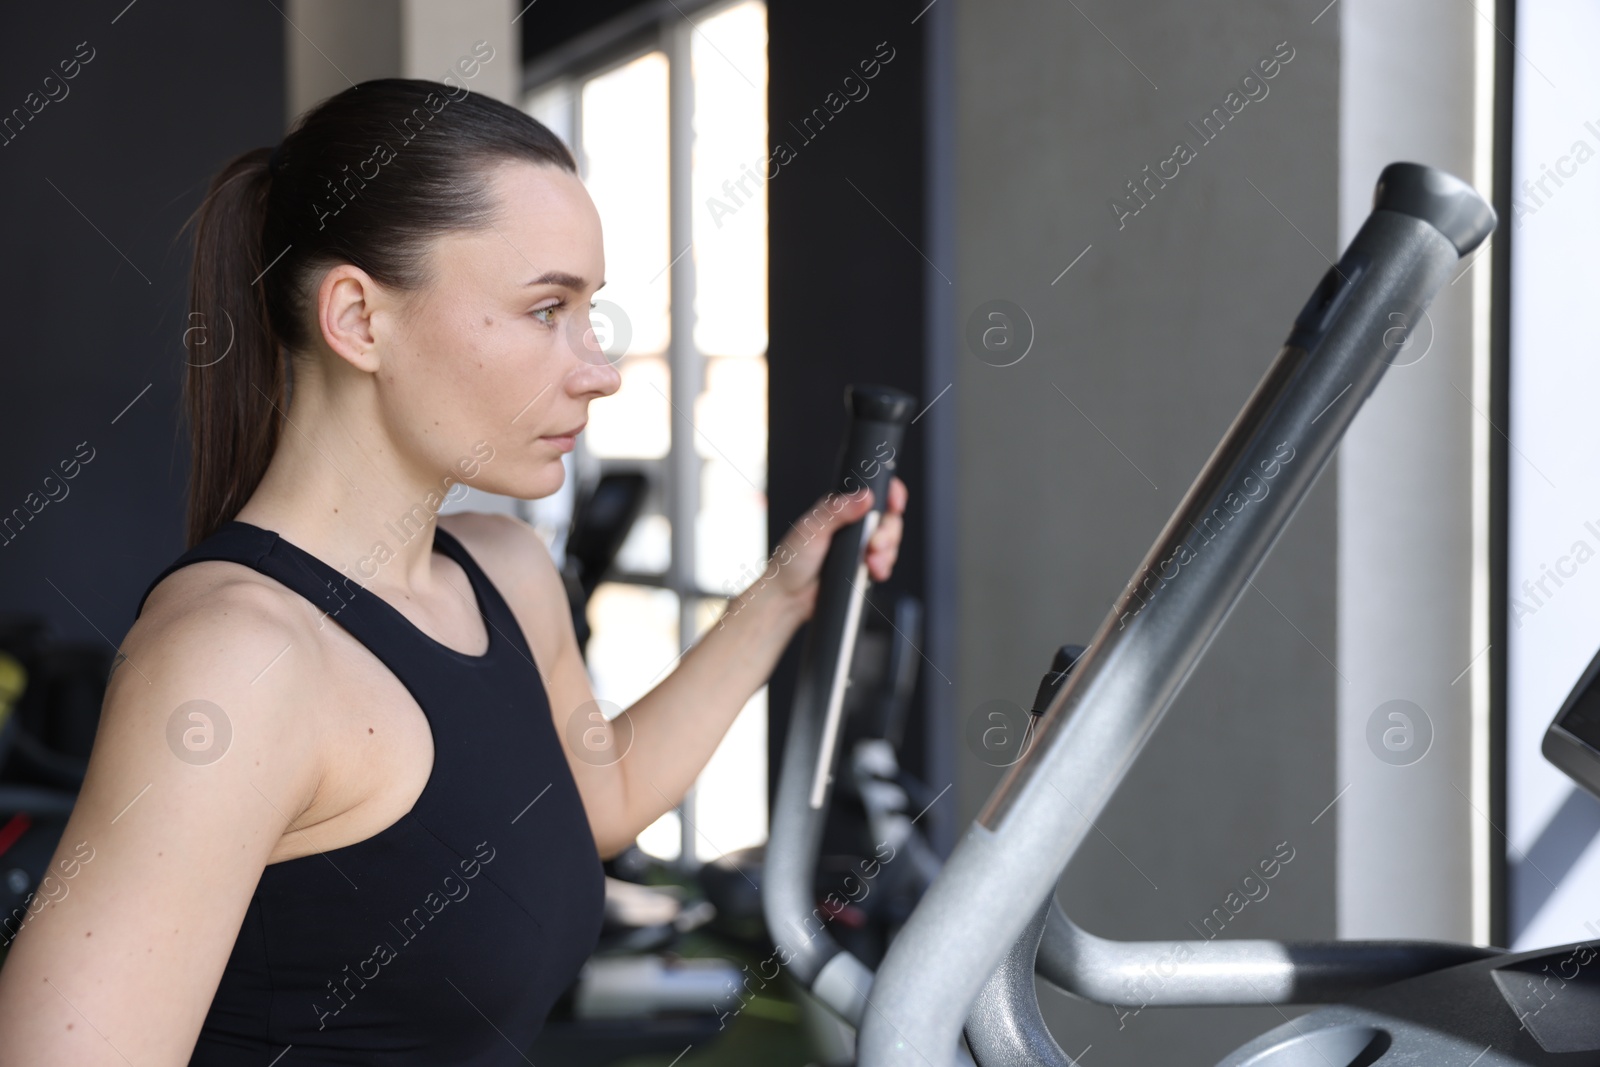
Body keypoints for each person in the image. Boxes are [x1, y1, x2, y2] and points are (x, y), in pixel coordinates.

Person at [0, 78, 907, 1065]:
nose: (597, 366)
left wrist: (782, 594)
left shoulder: (503, 570)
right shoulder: (238, 661)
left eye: (587, 309)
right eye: (545, 308)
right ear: (357, 319)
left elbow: (598, 793)